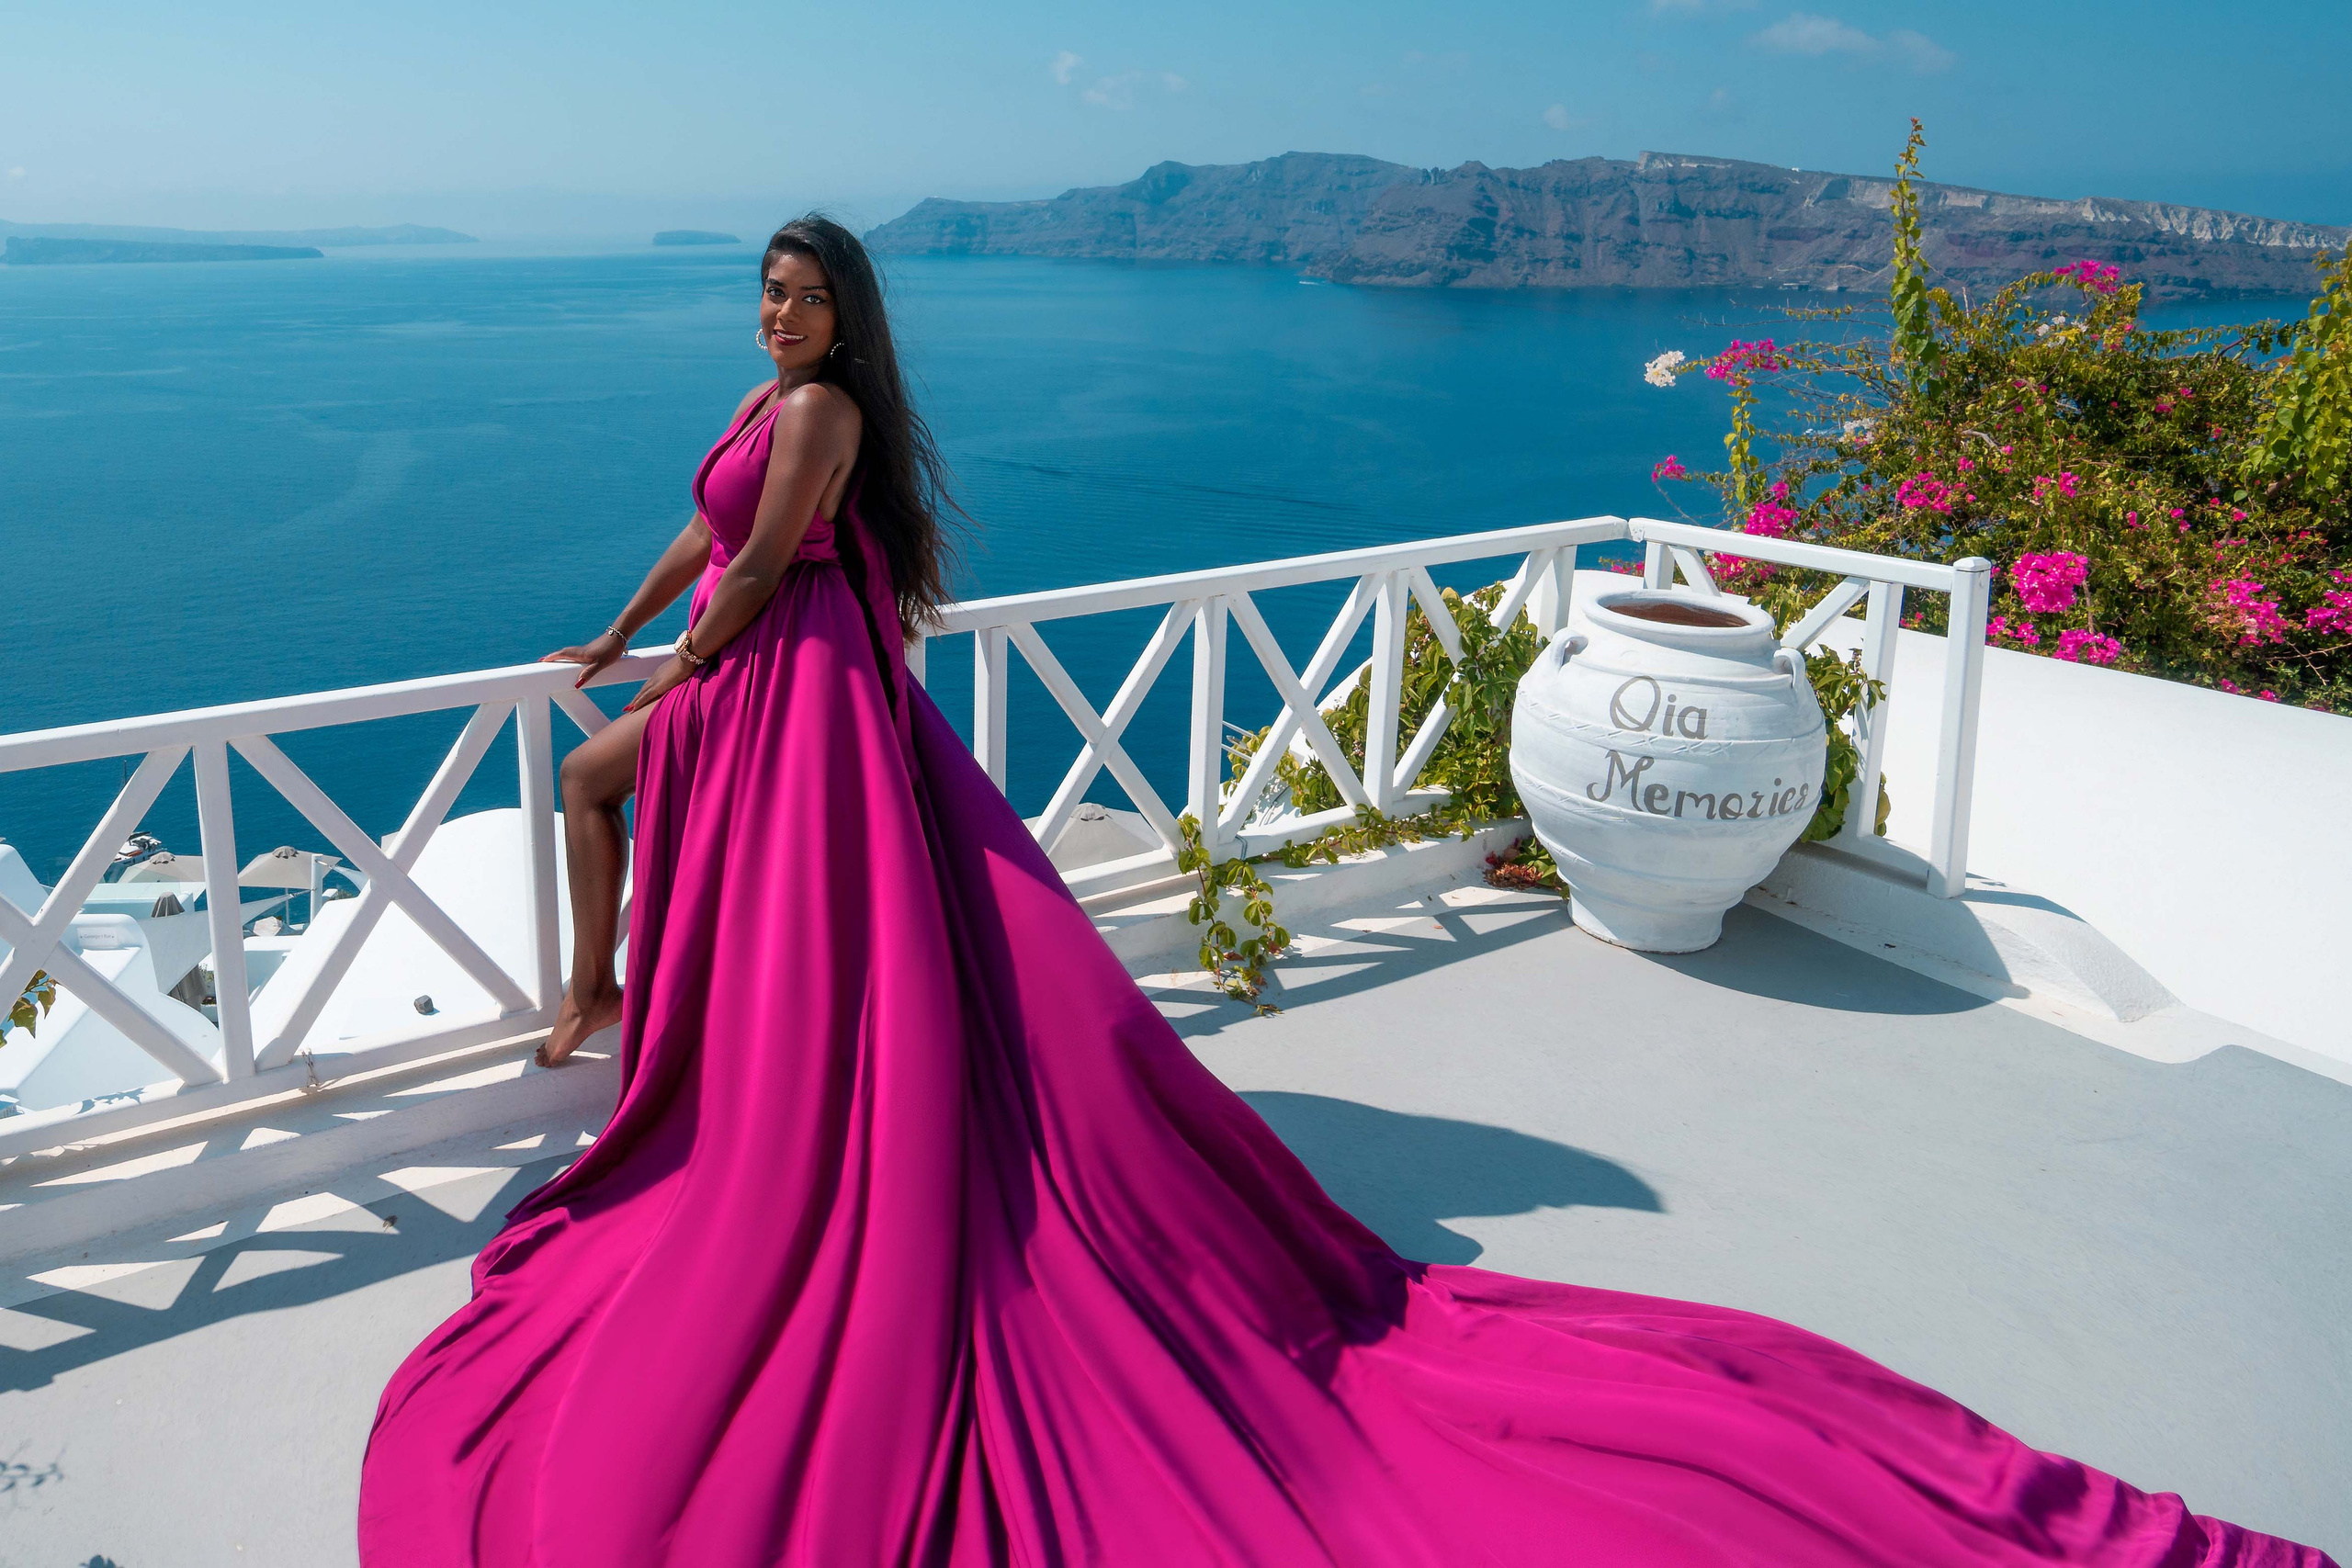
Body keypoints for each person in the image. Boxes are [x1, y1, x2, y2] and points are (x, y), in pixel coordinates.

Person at [356, 217, 2331, 1567]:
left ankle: (613, 1005)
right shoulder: (752, 397)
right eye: (767, 293)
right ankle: (617, 998)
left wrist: (679, 674)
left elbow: (778, 570)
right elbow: (694, 554)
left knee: (652, 818)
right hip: (757, 673)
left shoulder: (823, 419)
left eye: (802, 295)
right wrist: (615, 637)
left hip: (804, 693)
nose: (780, 315)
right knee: (598, 777)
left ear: (844, 318)